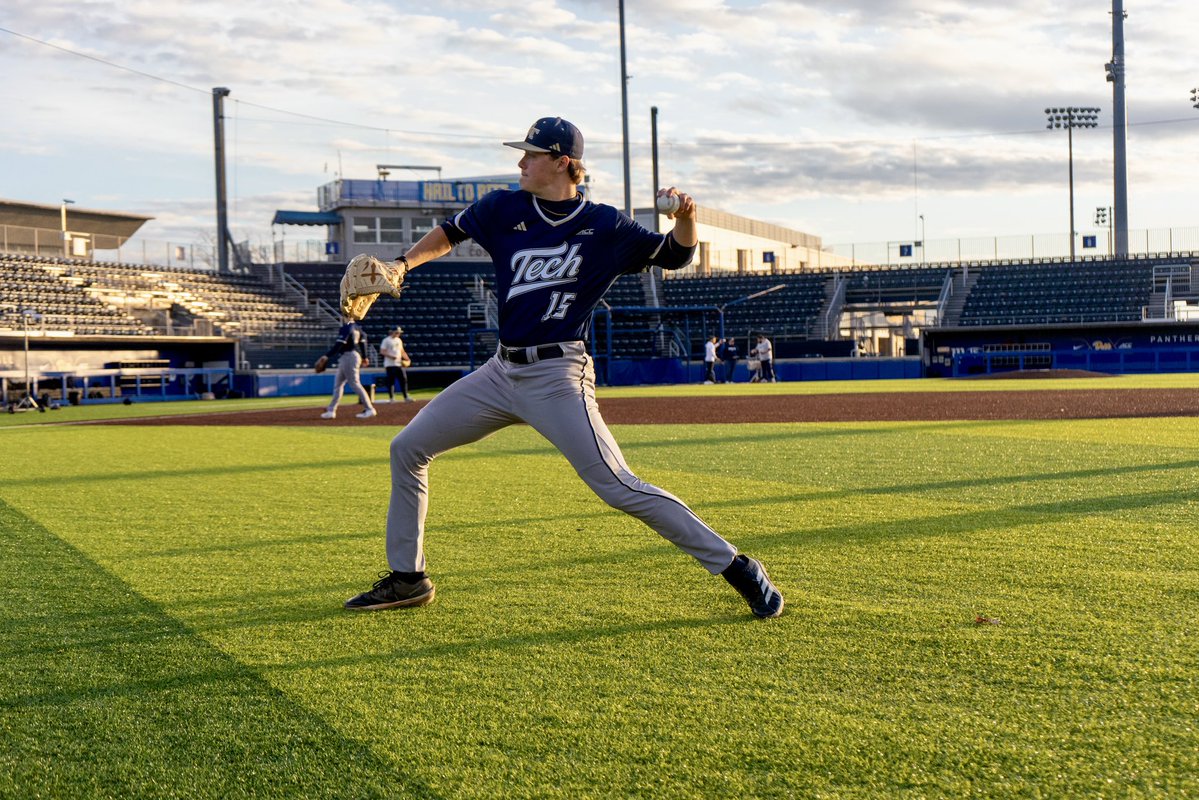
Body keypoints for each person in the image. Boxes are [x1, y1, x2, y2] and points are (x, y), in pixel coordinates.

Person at [343, 116, 782, 619]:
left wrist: (685, 215)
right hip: (499, 371)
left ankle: (738, 567)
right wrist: (402, 263)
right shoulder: (502, 207)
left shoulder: (605, 224)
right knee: (408, 448)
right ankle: (408, 578)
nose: (520, 161)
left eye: (530, 153)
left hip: (557, 377)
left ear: (562, 162)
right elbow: (450, 233)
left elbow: (674, 256)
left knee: (618, 486)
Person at [319, 315, 377, 419]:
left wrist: (326, 355)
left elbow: (339, 344)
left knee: (354, 383)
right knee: (338, 384)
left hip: (349, 356)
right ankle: (331, 410)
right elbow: (363, 341)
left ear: (344, 316)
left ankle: (369, 409)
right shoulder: (357, 327)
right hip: (350, 356)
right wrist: (364, 357)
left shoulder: (346, 327)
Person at [378, 325, 413, 403]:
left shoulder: (399, 340)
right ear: (392, 332)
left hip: (398, 364)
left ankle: (406, 397)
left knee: (403, 379)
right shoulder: (386, 340)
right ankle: (391, 398)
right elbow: (382, 351)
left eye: (399, 332)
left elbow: (402, 351)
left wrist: (407, 358)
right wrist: (391, 356)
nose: (398, 334)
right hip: (389, 364)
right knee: (391, 381)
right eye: (397, 332)